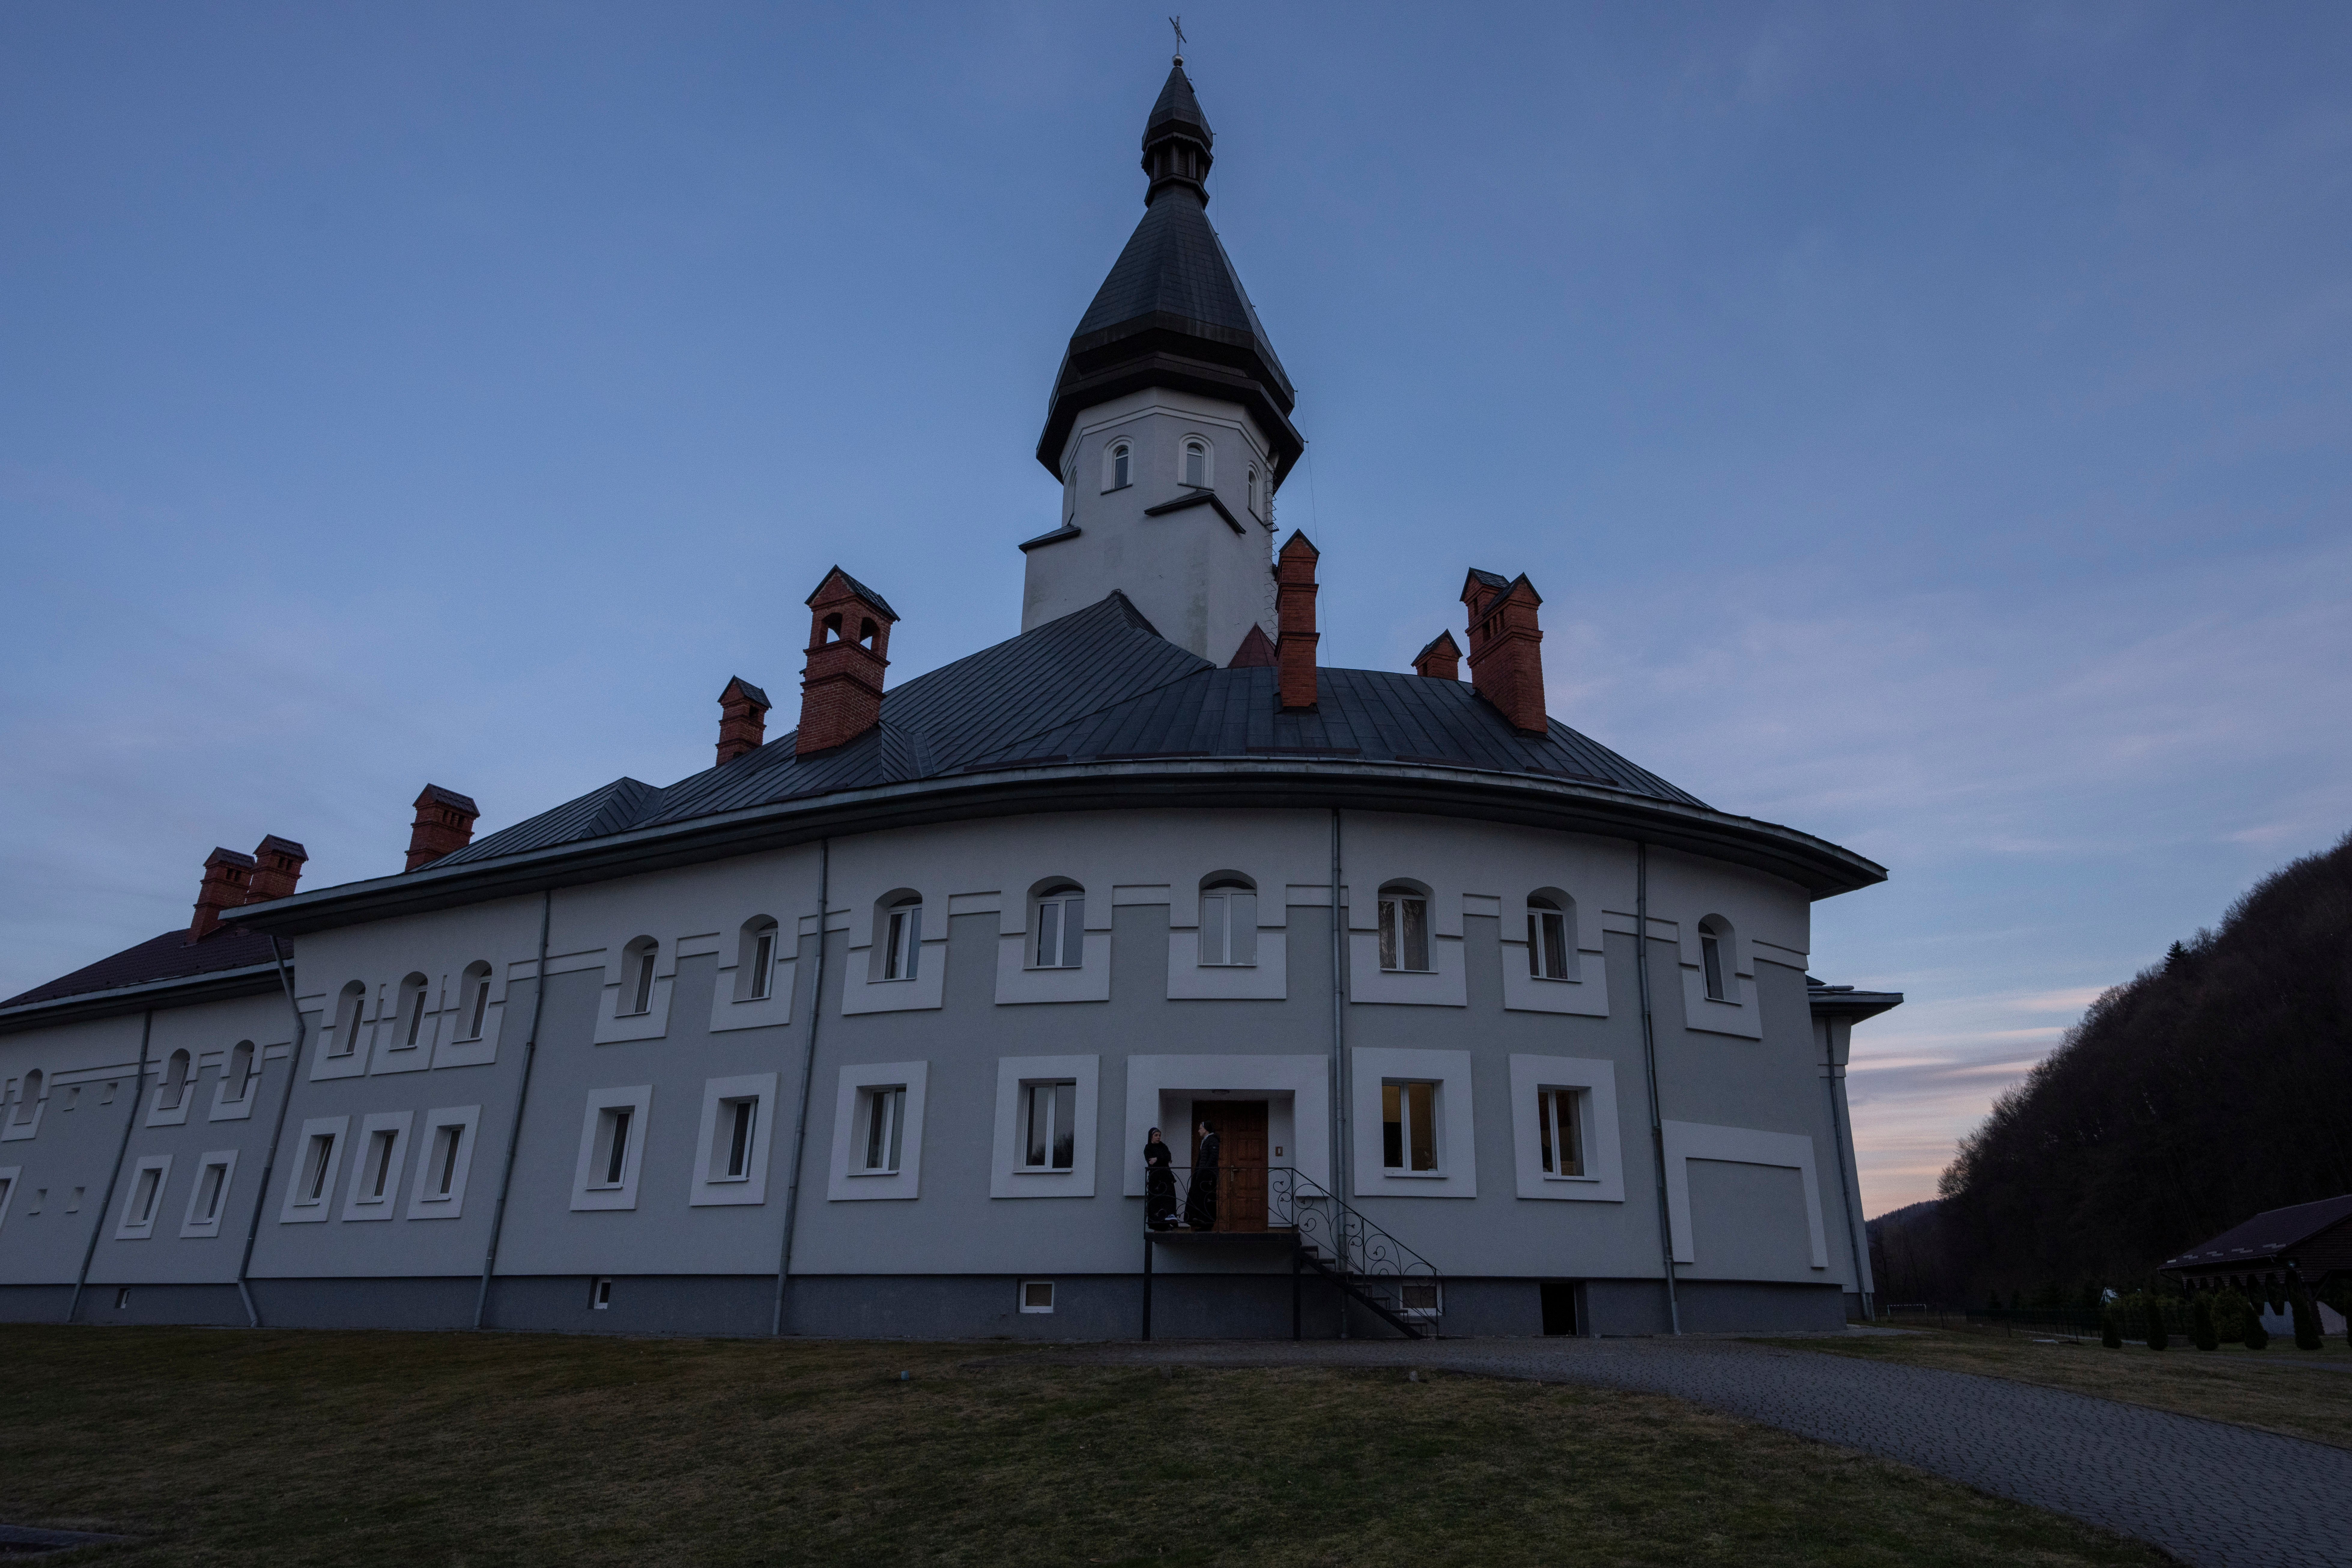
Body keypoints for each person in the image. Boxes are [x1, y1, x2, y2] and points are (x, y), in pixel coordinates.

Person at [1183, 1119, 1220, 1232]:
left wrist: (1204, 1170)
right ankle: (1201, 1221)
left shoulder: (1212, 1140)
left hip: (1208, 1176)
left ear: (1206, 1130)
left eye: (1201, 1129)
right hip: (1203, 1174)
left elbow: (1213, 1157)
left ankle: (1207, 1223)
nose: (1199, 1131)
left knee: (1207, 1198)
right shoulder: (1206, 1141)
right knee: (1199, 1196)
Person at [1143, 1128, 1177, 1231]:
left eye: (1159, 1135)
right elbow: (1150, 1161)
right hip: (1156, 1179)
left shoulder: (1163, 1146)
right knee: (1157, 1201)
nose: (1158, 1138)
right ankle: (1158, 1224)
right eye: (1156, 1136)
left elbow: (1169, 1156)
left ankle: (1168, 1223)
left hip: (1166, 1177)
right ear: (1151, 1137)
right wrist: (1163, 1159)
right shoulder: (1148, 1148)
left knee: (1168, 1199)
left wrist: (1157, 1158)